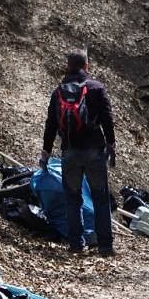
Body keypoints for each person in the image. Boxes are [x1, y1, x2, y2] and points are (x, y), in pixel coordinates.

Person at [40, 50, 117, 256]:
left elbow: (51, 124)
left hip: (70, 152)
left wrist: (46, 152)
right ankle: (105, 247)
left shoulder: (58, 92)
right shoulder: (96, 88)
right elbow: (107, 118)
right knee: (100, 199)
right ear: (86, 67)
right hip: (94, 151)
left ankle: (76, 244)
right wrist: (111, 143)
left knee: (72, 199)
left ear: (67, 66)